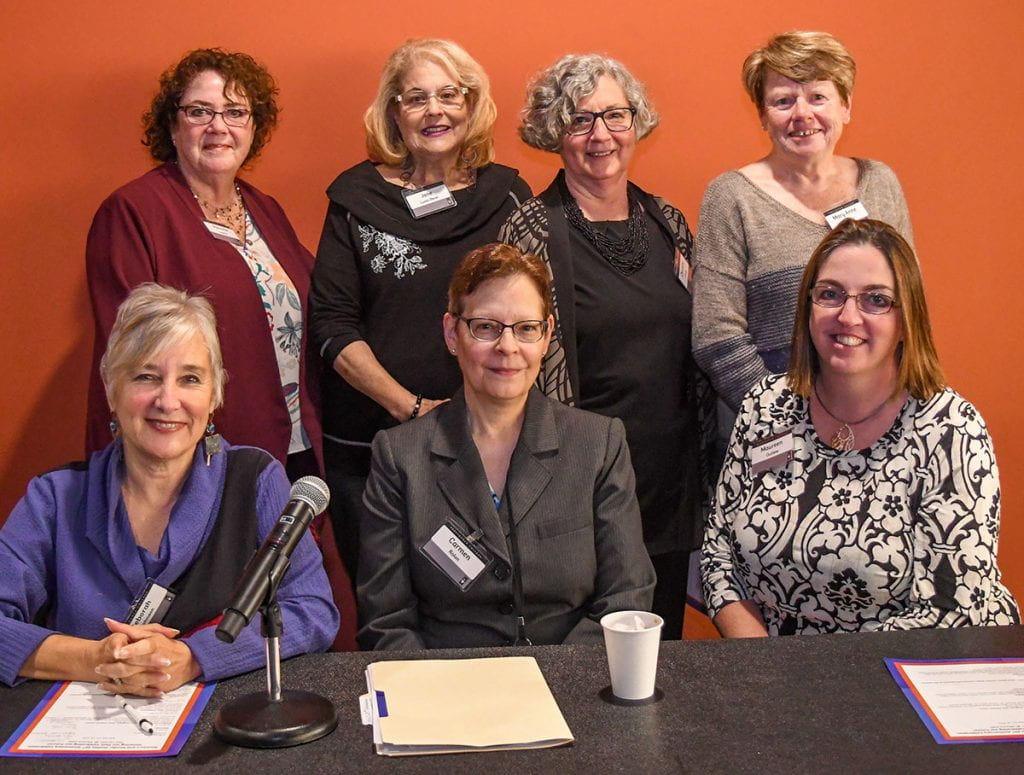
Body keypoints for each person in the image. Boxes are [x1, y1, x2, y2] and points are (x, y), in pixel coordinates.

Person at [0, 284, 338, 694]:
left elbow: (313, 610)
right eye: (146, 376)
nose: (168, 399)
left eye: (190, 379)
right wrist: (96, 660)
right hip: (79, 741)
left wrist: (194, 657)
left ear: (215, 395)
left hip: (220, 735)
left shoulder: (256, 479)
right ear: (111, 389)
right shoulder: (55, 497)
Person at [701, 219, 1019, 637]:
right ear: (807, 308)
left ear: (908, 320)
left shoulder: (950, 432)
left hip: (905, 674)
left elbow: (951, 611)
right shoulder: (766, 406)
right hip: (773, 667)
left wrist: (823, 686)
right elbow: (719, 551)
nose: (848, 316)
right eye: (830, 294)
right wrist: (761, 660)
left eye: (876, 300)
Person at [499, 54, 714, 638]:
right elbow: (515, 368)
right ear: (554, 134)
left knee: (658, 653)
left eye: (615, 116)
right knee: (583, 656)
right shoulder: (531, 231)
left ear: (636, 121)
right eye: (579, 121)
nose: (601, 136)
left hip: (670, 486)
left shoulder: (667, 220)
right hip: (583, 489)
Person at [309, 39, 531, 590]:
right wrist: (412, 410)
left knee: (475, 603)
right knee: (385, 602)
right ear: (393, 114)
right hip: (371, 448)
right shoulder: (356, 199)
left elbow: (533, 317)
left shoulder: (508, 196)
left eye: (449, 95)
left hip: (487, 448)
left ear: (471, 104)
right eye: (416, 99)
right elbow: (333, 325)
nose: (435, 111)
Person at [357, 244, 655, 649]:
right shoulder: (399, 456)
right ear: (451, 333)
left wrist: (551, 685)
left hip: (570, 685)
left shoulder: (599, 444)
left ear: (548, 335)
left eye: (526, 328)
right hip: (449, 690)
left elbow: (626, 597)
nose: (508, 347)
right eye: (486, 327)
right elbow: (387, 623)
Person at [86, 48, 321, 480]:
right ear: (173, 126)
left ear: (254, 126)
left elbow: (321, 300)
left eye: (235, 112)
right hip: (192, 459)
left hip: (293, 446)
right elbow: (130, 357)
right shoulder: (133, 212)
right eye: (200, 111)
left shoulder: (264, 209)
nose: (219, 126)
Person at [692, 31, 914, 417]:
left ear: (845, 106)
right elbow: (717, 337)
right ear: (762, 115)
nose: (802, 114)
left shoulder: (880, 184)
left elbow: (908, 310)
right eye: (783, 101)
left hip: (876, 419)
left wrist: (888, 412)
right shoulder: (731, 197)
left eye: (818, 97)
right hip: (772, 431)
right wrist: (789, 421)